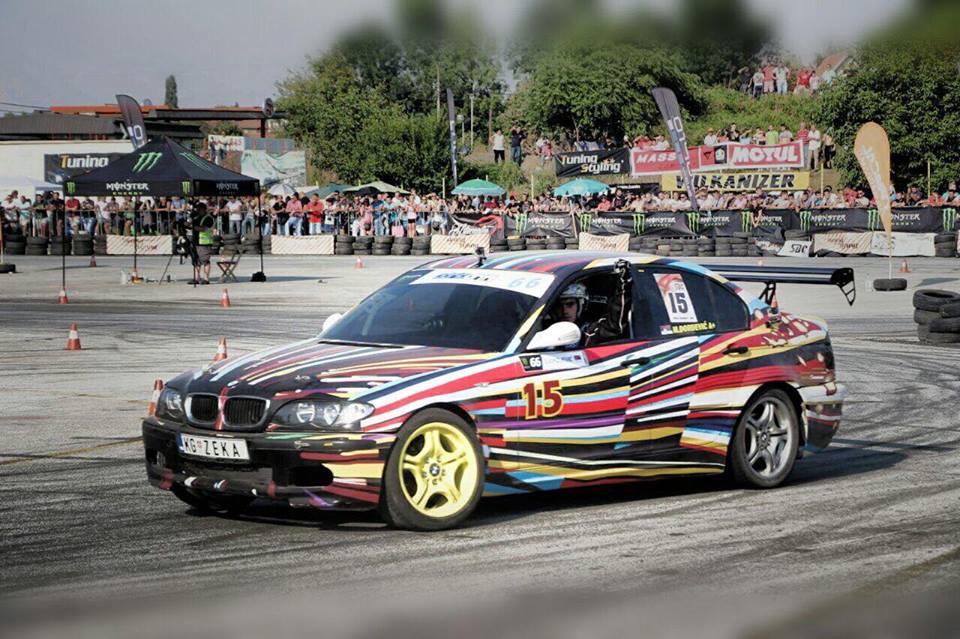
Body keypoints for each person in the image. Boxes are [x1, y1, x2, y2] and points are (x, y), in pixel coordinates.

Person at [548, 260, 632, 347]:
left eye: (570, 304)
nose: (564, 311)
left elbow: (613, 326)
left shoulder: (588, 331)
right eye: (559, 306)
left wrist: (624, 286)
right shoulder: (543, 329)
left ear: (581, 305)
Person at [191, 202, 215, 285]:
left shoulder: (208, 218)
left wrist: (193, 227)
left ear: (204, 209)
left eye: (199, 209)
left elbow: (203, 229)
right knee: (196, 261)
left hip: (205, 243)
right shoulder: (197, 218)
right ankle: (196, 278)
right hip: (196, 241)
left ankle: (206, 279)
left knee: (205, 261)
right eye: (197, 209)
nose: (197, 211)